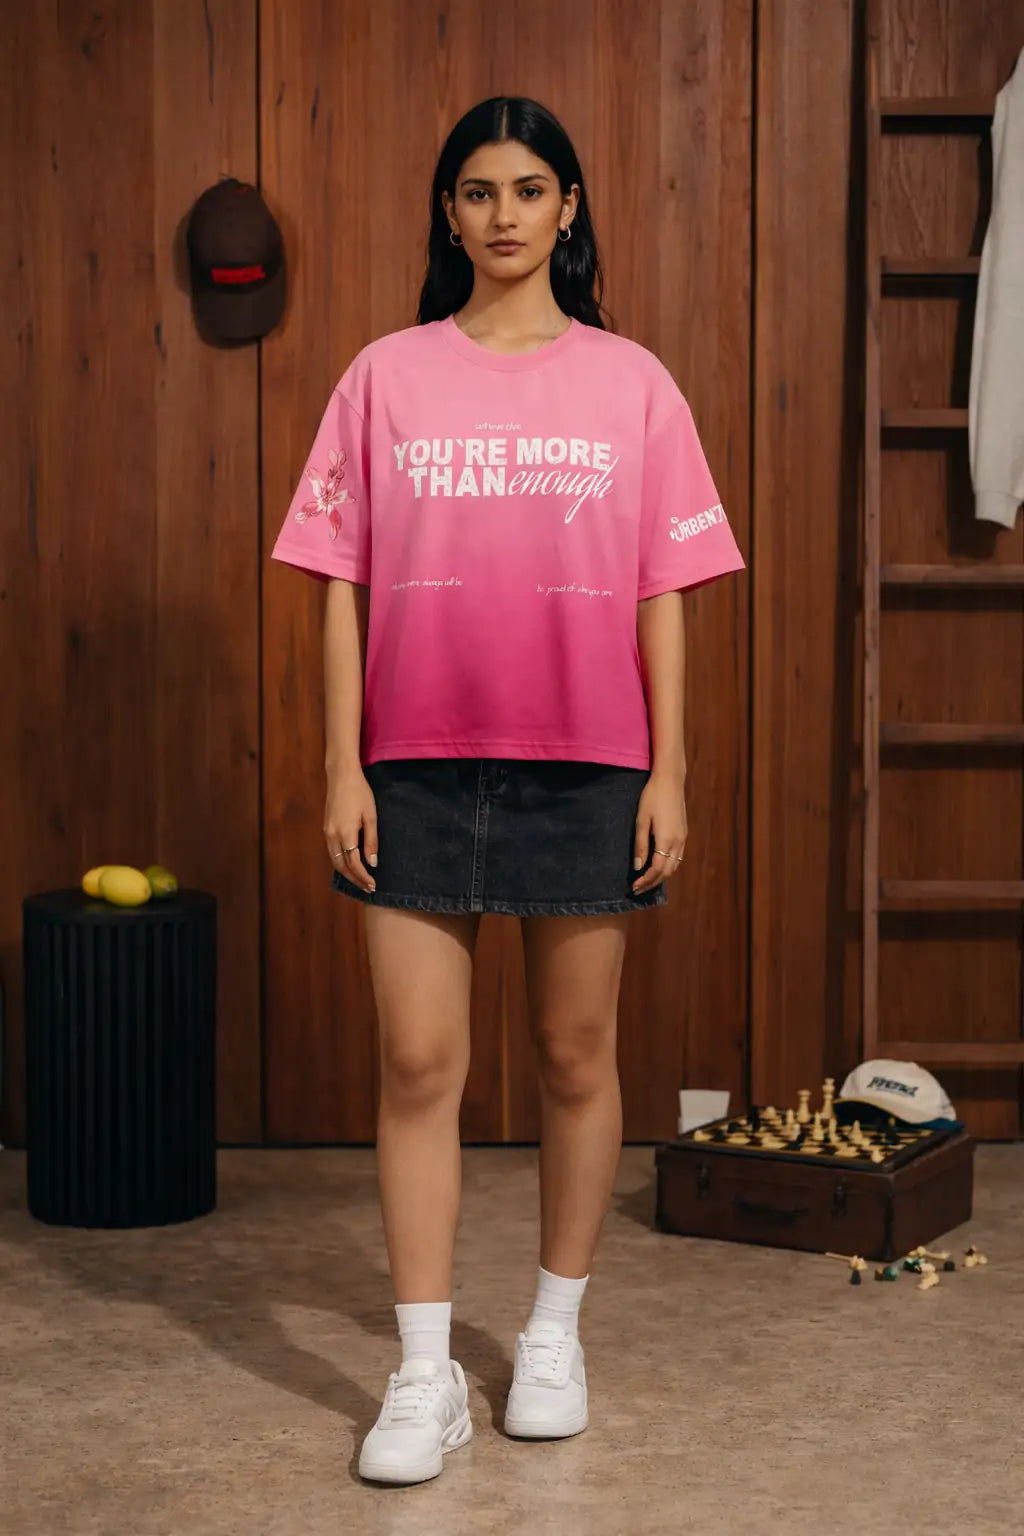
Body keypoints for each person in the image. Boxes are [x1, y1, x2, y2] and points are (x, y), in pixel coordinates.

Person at [270, 95, 744, 1487]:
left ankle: (552, 1332)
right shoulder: (384, 376)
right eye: (476, 192)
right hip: (413, 766)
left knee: (575, 1059)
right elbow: (339, 587)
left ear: (570, 209)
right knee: (419, 1064)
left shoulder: (636, 383)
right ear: (450, 213)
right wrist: (338, 763)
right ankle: (423, 1373)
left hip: (590, 764)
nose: (502, 215)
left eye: (529, 189)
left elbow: (666, 594)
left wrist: (673, 771)